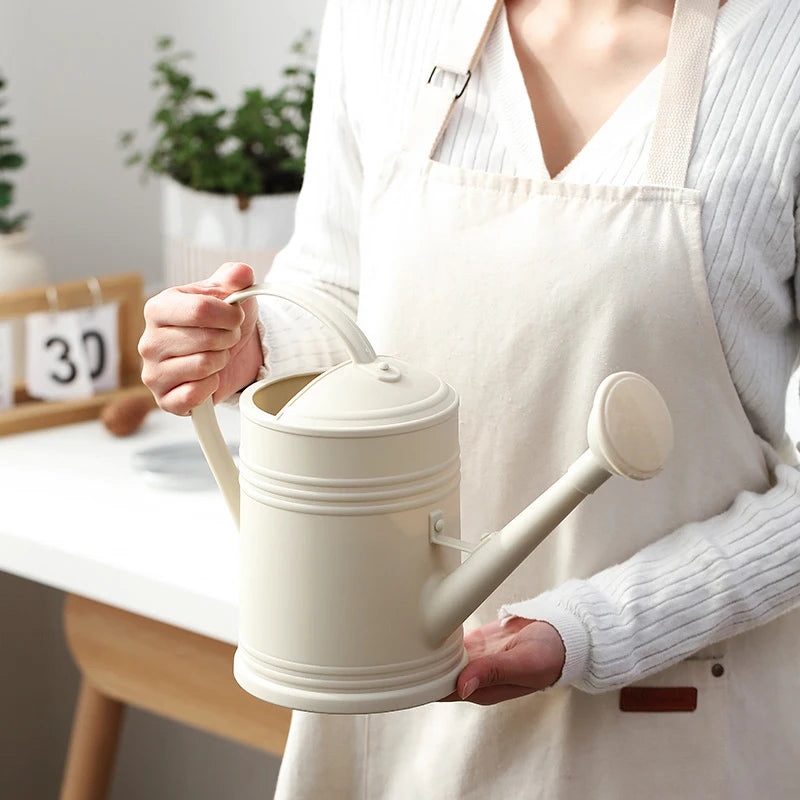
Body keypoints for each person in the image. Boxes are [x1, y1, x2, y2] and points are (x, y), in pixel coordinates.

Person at [138, 0, 800, 796]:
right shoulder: (383, 16)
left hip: (669, 713)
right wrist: (250, 345)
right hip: (383, 691)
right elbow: (337, 285)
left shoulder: (781, 54)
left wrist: (590, 630)